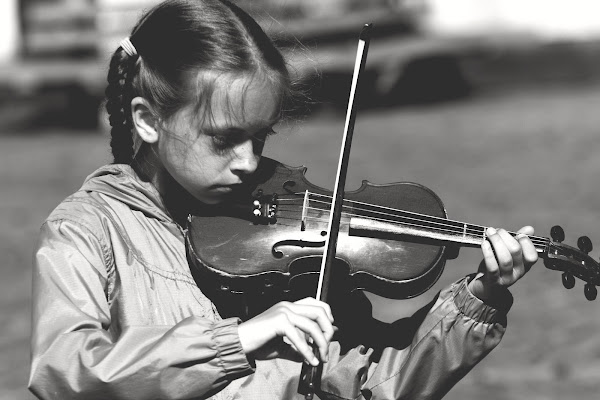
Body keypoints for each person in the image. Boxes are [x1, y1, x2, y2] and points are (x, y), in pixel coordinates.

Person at [28, 1, 539, 399]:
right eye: (224, 140)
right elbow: (65, 372)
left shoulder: (286, 241)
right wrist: (238, 340)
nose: (249, 163)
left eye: (261, 138)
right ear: (148, 120)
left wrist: (481, 298)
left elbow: (369, 385)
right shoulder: (87, 229)